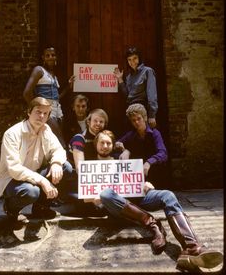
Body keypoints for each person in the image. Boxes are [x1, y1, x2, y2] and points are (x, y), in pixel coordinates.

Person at [87, 130, 223, 271]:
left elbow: (133, 182)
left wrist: (144, 184)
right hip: (119, 207)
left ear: (113, 145)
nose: (105, 146)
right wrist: (94, 201)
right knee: (106, 194)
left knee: (168, 195)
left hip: (137, 200)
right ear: (96, 144)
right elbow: (86, 197)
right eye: (101, 143)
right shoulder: (89, 167)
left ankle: (191, 247)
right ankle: (152, 224)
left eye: (108, 143)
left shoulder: (121, 161)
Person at [0, 97, 73, 228]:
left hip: (35, 174)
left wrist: (56, 163)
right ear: (28, 112)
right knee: (32, 191)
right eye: (38, 112)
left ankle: (40, 208)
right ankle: (11, 209)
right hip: (12, 179)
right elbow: (14, 169)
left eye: (45, 113)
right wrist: (43, 181)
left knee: (66, 168)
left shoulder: (45, 129)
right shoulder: (12, 133)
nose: (41, 116)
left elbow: (59, 150)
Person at [23, 46, 72, 148]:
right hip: (46, 108)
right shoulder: (39, 70)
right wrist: (37, 109)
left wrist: (68, 87)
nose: (50, 57)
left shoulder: (53, 75)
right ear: (43, 58)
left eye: (53, 55)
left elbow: (57, 97)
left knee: (52, 138)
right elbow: (27, 92)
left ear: (56, 58)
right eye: (47, 55)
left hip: (57, 108)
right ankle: (66, 158)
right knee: (59, 139)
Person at [115, 103, 168, 188]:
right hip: (138, 178)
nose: (136, 122)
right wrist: (125, 150)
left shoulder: (155, 133)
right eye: (133, 120)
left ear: (145, 118)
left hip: (155, 174)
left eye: (139, 119)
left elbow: (163, 153)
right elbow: (116, 144)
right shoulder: (131, 134)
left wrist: (149, 162)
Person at [114, 46, 158, 128]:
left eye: (135, 58)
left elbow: (152, 95)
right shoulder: (129, 76)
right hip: (130, 110)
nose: (132, 62)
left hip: (143, 110)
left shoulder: (147, 71)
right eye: (129, 60)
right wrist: (120, 79)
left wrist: (152, 115)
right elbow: (127, 96)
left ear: (139, 59)